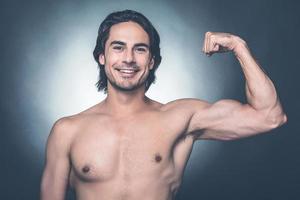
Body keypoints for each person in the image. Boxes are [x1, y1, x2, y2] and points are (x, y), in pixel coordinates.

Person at [40, 9, 287, 200]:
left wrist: (238, 47)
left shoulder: (180, 118)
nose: (128, 58)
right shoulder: (67, 131)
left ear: (152, 61)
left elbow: (269, 116)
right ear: (102, 57)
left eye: (140, 49)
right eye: (118, 48)